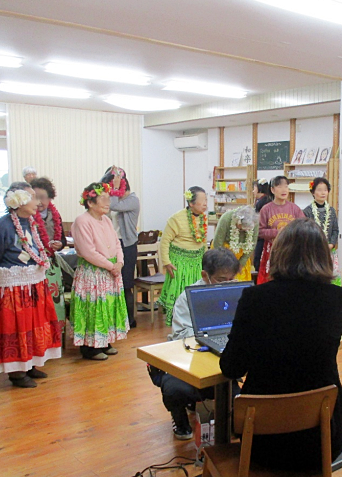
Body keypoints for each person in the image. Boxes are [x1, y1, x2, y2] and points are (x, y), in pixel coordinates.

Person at [220, 218, 342, 477]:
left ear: (278, 253)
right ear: (323, 255)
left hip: (264, 440)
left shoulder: (255, 298)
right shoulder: (337, 298)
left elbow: (231, 367)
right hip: (325, 436)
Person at [149, 248, 241, 440]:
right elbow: (181, 335)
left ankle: (224, 416)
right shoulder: (188, 297)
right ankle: (180, 419)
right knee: (174, 389)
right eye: (222, 280)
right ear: (204, 275)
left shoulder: (236, 292)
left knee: (237, 399)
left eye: (232, 279)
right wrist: (207, 337)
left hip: (226, 360)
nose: (228, 284)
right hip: (192, 360)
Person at [0, 182, 61, 388]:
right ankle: (17, 373)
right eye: (33, 197)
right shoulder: (3, 226)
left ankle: (31, 363)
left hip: (34, 285)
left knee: (34, 326)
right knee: (18, 328)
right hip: (15, 290)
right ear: (18, 201)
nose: (38, 202)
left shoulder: (32, 223)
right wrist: (7, 285)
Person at [70, 182, 128, 360]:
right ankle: (90, 348)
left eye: (108, 198)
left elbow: (117, 243)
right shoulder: (82, 221)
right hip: (93, 273)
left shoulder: (107, 220)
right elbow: (88, 252)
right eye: (103, 198)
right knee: (93, 307)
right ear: (90, 203)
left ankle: (105, 341)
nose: (108, 201)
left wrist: (119, 262)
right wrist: (111, 266)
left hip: (110, 272)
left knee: (107, 307)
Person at [159, 187, 208, 326]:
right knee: (180, 293)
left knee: (197, 293)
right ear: (191, 203)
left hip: (197, 262)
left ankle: (195, 324)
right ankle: (178, 325)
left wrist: (205, 260)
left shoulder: (204, 218)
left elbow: (203, 242)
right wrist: (166, 262)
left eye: (206, 200)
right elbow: (165, 241)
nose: (205, 204)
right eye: (202, 200)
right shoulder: (176, 218)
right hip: (179, 263)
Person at [101, 166, 141, 329]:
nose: (109, 192)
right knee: (110, 282)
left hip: (126, 245)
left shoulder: (132, 200)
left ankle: (129, 320)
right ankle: (113, 318)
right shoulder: (113, 198)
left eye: (111, 188)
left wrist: (116, 188)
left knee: (125, 284)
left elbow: (114, 206)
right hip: (110, 244)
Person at [31, 177, 68, 332]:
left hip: (52, 264)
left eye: (43, 198)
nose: (39, 202)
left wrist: (60, 245)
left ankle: (55, 333)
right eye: (35, 198)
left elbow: (63, 240)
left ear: (50, 197)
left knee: (54, 300)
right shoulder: (29, 215)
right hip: (35, 265)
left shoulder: (55, 215)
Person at [257, 176, 305, 284]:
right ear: (272, 190)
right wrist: (278, 232)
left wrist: (290, 232)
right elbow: (260, 232)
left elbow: (303, 228)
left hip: (291, 250)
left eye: (286, 186)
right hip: (272, 251)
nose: (284, 190)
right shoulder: (266, 209)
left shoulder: (295, 209)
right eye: (279, 186)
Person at [303, 177, 341, 286]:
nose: (323, 193)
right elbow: (306, 231)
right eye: (319, 190)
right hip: (313, 250)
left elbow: (335, 229)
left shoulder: (332, 211)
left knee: (331, 276)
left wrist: (331, 244)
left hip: (329, 250)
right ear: (313, 192)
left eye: (325, 190)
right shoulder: (307, 211)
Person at [212, 205, 258, 281]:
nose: (243, 231)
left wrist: (241, 263)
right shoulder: (226, 219)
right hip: (224, 254)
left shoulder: (254, 222)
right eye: (241, 227)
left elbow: (252, 244)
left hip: (242, 255)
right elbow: (217, 244)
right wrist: (223, 264)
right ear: (237, 221)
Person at [253, 178, 272, 272]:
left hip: (262, 236)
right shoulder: (266, 199)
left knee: (259, 260)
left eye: (254, 188)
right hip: (265, 234)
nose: (253, 191)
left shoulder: (262, 202)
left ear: (259, 189)